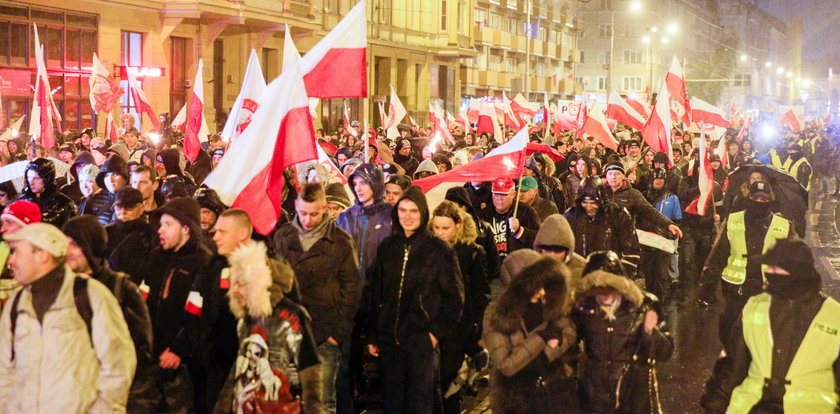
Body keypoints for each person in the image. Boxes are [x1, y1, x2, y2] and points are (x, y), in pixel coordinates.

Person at [0, 223, 137, 413]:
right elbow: (4, 370)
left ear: (42, 255)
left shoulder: (90, 296)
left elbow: (118, 362)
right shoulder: (15, 305)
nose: (10, 261)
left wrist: (106, 410)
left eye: (16, 252)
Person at [701, 239, 840, 413]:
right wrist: (716, 404)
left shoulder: (834, 316)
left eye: (775, 268)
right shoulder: (755, 306)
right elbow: (733, 366)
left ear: (796, 273)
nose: (768, 272)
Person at [367, 186, 464, 414]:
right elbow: (375, 293)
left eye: (413, 211)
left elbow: (455, 300)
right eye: (403, 210)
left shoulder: (439, 251)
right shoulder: (388, 248)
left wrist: (433, 334)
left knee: (420, 404)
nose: (407, 216)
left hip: (421, 342)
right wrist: (373, 333)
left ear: (423, 214)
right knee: (393, 404)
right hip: (389, 342)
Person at [272, 183, 361, 414]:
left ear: (324, 209)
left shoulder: (340, 241)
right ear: (295, 207)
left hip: (323, 332)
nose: (308, 220)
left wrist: (336, 333)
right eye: (303, 213)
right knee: (287, 398)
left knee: (321, 401)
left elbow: (352, 289)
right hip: (288, 331)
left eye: (314, 214)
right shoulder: (283, 236)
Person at [214, 227, 323, 414]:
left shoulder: (291, 316)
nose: (235, 290)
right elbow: (239, 370)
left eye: (241, 283)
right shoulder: (246, 320)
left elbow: (310, 369)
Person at [62, 215, 155, 412]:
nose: (67, 252)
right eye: (65, 244)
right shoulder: (60, 289)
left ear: (91, 245)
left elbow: (140, 348)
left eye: (75, 244)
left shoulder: (122, 289)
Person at [136, 197, 212, 413]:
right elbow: (144, 298)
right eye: (161, 225)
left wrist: (179, 349)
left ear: (186, 228)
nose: (161, 230)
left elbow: (198, 313)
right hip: (152, 355)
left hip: (184, 363)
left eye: (168, 225)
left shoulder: (203, 262)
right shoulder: (156, 257)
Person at [573, 251, 673, 414]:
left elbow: (666, 351)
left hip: (632, 396)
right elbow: (568, 342)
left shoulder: (644, 305)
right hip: (594, 396)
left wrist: (650, 332)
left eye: (608, 289)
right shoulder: (584, 308)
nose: (603, 296)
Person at [483, 257, 579, 414]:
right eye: (535, 285)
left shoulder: (547, 303)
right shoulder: (495, 314)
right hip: (515, 401)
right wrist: (541, 338)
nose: (541, 291)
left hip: (554, 396)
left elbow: (568, 332)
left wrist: (542, 355)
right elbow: (507, 365)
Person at [701, 181, 792, 345]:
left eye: (763, 199)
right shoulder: (734, 220)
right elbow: (720, 253)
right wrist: (708, 284)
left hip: (767, 289)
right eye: (756, 197)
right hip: (736, 288)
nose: (759, 201)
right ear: (749, 197)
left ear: (769, 200)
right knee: (730, 332)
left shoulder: (783, 225)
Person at [429, 201, 490, 413]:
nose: (440, 233)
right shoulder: (427, 251)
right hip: (430, 328)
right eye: (436, 228)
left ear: (458, 225)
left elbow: (480, 295)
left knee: (448, 387)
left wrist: (477, 333)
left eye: (445, 228)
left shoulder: (472, 253)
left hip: (458, 330)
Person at [564, 178, 641, 275]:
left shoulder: (617, 215)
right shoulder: (571, 216)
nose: (589, 207)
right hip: (579, 275)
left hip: (610, 276)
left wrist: (623, 275)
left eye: (593, 203)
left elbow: (631, 249)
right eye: (585, 203)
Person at [336, 163, 392, 282]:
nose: (358, 189)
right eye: (355, 184)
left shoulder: (392, 217)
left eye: (364, 183)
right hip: (350, 289)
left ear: (376, 183)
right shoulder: (345, 218)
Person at [478, 176, 542, 260]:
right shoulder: (484, 213)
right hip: (492, 267)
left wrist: (520, 231)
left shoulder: (526, 211)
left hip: (518, 266)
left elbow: (539, 239)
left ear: (513, 194)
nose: (499, 198)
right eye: (496, 193)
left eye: (504, 194)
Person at [105, 187, 157, 283]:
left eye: (129, 208)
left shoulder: (151, 234)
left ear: (141, 208)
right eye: (119, 207)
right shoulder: (106, 232)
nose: (123, 212)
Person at [16, 158, 75, 228]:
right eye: (29, 177)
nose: (31, 182)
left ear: (47, 178)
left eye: (36, 178)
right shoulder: (22, 202)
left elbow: (70, 231)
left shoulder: (64, 203)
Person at [534, 213, 588, 286]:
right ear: (540, 249)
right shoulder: (531, 267)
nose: (552, 255)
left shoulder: (582, 269)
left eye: (558, 251)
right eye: (548, 250)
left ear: (567, 251)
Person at [90, 154, 130, 225]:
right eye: (106, 175)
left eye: (115, 174)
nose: (110, 180)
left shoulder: (134, 198)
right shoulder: (94, 199)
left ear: (125, 176)